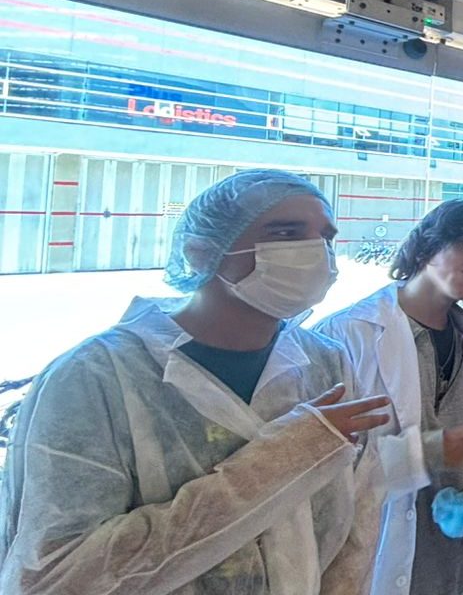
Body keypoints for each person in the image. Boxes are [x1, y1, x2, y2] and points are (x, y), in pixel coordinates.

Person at [0, 169, 392, 593]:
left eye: (326, 238)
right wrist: (286, 458)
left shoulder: (326, 363)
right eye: (285, 233)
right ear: (202, 252)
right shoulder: (96, 378)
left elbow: (358, 527)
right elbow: (57, 577)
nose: (316, 252)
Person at [316, 199, 463, 594]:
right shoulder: (346, 335)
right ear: (428, 245)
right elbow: (324, 464)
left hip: (459, 567)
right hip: (378, 559)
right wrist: (427, 451)